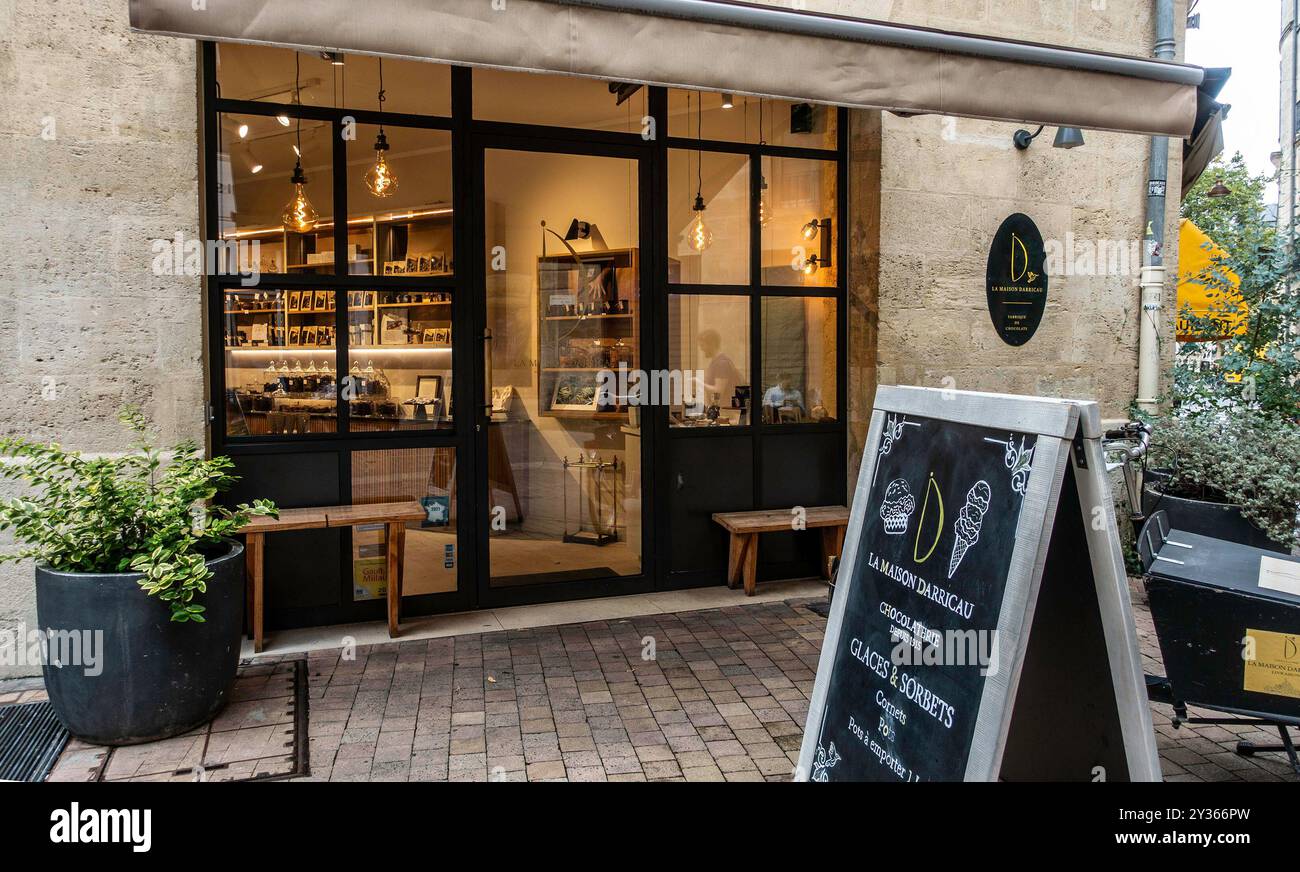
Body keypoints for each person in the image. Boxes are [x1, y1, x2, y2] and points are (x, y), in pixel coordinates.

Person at [696, 329, 742, 407]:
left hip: (724, 413)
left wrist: (699, 383)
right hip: (719, 412)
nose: (701, 349)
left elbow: (718, 392)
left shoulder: (721, 364)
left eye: (703, 345)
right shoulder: (715, 362)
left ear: (712, 344)